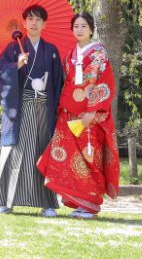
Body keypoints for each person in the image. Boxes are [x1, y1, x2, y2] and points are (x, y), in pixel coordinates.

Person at [37, 12, 120, 219]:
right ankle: (81, 203)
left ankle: (91, 205)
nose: (80, 30)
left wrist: (93, 111)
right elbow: (68, 85)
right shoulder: (69, 56)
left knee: (90, 158)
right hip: (69, 114)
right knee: (66, 157)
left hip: (89, 116)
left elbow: (105, 82)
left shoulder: (99, 54)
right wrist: (63, 108)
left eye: (84, 26)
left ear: (91, 29)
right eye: (76, 26)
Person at [0, 4, 63, 216]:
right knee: (14, 151)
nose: (33, 23)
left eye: (38, 19)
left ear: (44, 24)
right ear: (24, 23)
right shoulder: (13, 48)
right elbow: (1, 70)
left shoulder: (51, 51)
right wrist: (17, 66)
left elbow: (58, 82)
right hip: (19, 109)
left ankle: (47, 204)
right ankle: (5, 202)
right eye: (30, 19)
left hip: (42, 108)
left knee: (41, 152)